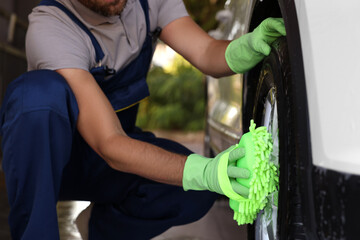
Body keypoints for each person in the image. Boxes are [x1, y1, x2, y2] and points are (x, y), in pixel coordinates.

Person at [0, 0, 286, 239]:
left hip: (110, 159)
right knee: (36, 96)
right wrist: (208, 171)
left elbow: (204, 52)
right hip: (57, 164)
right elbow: (109, 143)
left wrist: (244, 47)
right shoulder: (50, 26)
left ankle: (98, 230)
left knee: (193, 193)